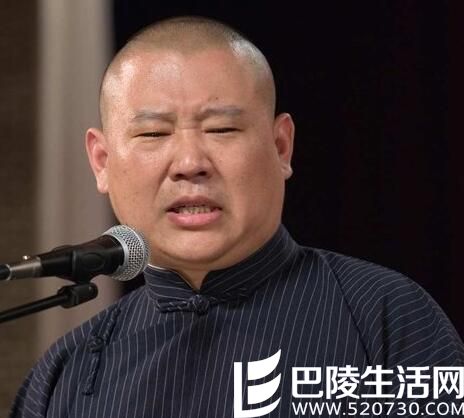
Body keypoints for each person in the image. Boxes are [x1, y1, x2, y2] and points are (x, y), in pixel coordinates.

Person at [10, 16, 464, 418]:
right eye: (153, 133)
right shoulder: (65, 372)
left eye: (222, 129)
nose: (190, 162)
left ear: (281, 147)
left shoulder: (388, 318)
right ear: (102, 162)